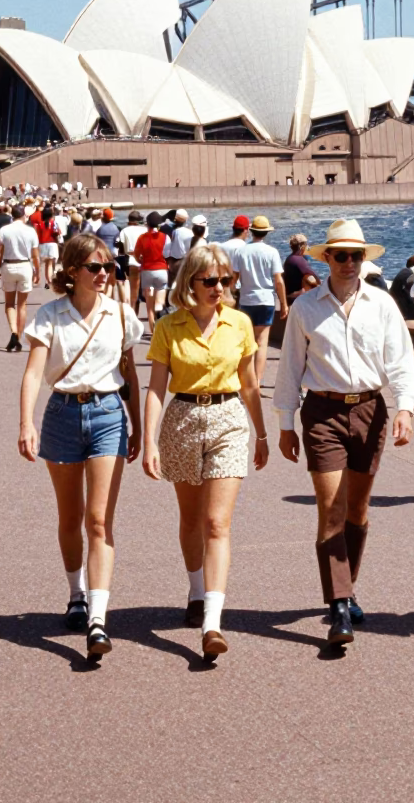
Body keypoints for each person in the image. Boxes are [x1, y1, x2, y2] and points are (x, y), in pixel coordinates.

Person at [274, 218, 414, 646]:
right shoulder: (305, 307)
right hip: (322, 413)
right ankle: (338, 605)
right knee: (331, 508)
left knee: (358, 511)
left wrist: (405, 408)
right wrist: (285, 424)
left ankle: (346, 587)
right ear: (327, 258)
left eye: (357, 255)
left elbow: (401, 360)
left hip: (370, 411)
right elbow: (289, 370)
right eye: (341, 255)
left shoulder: (381, 303)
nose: (350, 262)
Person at [17, 234, 142, 658]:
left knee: (98, 520)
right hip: (63, 415)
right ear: (73, 272)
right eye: (95, 267)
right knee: (70, 517)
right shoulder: (50, 315)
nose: (105, 274)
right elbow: (35, 373)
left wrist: (138, 425)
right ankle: (77, 594)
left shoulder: (122, 315)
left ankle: (98, 621)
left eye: (109, 267)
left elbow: (130, 375)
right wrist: (26, 423)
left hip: (108, 414)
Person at [142, 245, 268, 658]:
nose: (219, 288)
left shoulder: (240, 323)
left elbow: (249, 383)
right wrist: (148, 440)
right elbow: (157, 388)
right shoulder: (169, 326)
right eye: (210, 280)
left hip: (229, 420)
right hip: (181, 420)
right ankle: (196, 590)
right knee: (191, 518)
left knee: (217, 522)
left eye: (226, 280)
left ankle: (212, 623)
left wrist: (262, 434)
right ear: (190, 282)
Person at [229, 216, 288, 386]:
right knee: (262, 343)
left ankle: (245, 378)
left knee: (246, 343)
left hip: (247, 300)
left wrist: (231, 297)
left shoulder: (241, 252)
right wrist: (283, 303)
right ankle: (257, 380)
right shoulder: (272, 252)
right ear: (266, 233)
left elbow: (234, 279)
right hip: (266, 300)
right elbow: (278, 281)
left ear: (251, 231)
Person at [0, 205, 40, 351]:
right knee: (22, 305)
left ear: (12, 215)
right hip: (25, 266)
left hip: (9, 266)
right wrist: (37, 271)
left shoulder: (4, 230)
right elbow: (35, 254)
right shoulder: (30, 231)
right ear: (24, 215)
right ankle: (19, 336)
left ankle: (13, 331)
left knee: (9, 304)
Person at [134, 211, 170, 334]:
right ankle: (163, 328)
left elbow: (136, 255)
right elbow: (167, 254)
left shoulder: (142, 238)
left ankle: (154, 333)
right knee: (160, 302)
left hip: (147, 271)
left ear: (147, 224)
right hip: (162, 270)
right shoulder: (165, 237)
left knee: (149, 307)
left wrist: (140, 259)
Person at [118, 210, 148, 313]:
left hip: (131, 262)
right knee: (148, 292)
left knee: (133, 293)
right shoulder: (145, 230)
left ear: (130, 221)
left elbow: (121, 250)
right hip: (146, 262)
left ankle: (133, 315)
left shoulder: (124, 231)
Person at [283, 233, 320, 303]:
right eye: (306, 244)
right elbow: (315, 277)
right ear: (302, 247)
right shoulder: (299, 260)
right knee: (309, 278)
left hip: (289, 295)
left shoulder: (291, 258)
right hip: (295, 298)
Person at [388, 253, 414, 321]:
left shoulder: (404, 273)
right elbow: (412, 301)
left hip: (397, 310)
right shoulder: (410, 278)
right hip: (406, 316)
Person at [33, 203, 60, 289]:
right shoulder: (53, 223)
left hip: (42, 244)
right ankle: (49, 281)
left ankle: (43, 279)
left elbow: (37, 235)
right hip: (52, 244)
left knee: (43, 264)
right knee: (50, 264)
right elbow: (57, 233)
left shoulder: (40, 224)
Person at [166, 208, 193, 282]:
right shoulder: (189, 233)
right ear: (186, 220)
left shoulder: (171, 231)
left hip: (173, 262)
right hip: (184, 262)